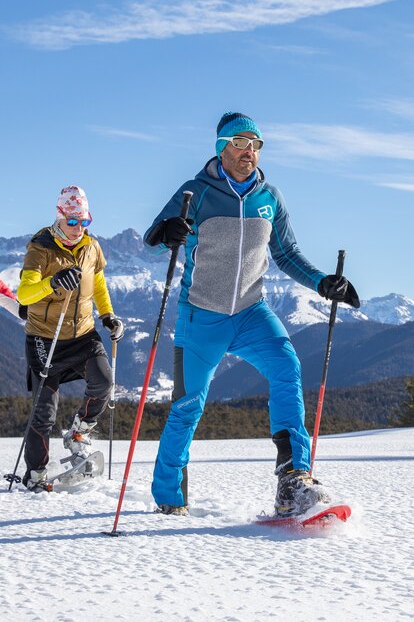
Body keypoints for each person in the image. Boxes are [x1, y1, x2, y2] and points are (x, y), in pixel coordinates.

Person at [144, 111, 360, 516]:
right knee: (188, 406)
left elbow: (286, 253)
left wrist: (321, 283)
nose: (250, 152)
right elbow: (153, 241)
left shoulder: (269, 197)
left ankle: (294, 479)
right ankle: (169, 499)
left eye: (256, 145)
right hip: (201, 315)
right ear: (222, 147)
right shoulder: (197, 192)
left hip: (251, 311)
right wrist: (166, 232)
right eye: (241, 143)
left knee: (287, 366)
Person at [17, 185, 124, 492]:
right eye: (72, 221)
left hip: (82, 333)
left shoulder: (92, 247)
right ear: (60, 216)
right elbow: (25, 293)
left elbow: (98, 283)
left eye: (84, 221)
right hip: (44, 338)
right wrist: (52, 282)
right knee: (44, 411)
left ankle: (79, 431)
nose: (78, 228)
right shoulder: (40, 248)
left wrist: (107, 316)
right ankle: (36, 474)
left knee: (104, 381)